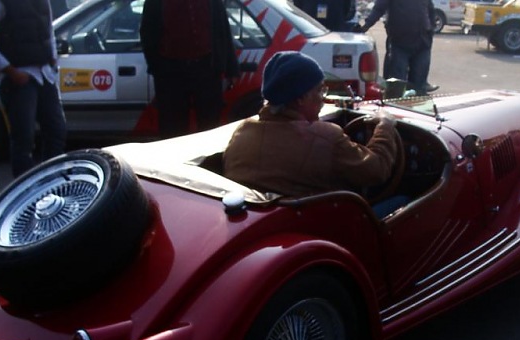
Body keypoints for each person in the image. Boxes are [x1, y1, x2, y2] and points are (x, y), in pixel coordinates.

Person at [223, 51, 403, 217]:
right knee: (404, 201)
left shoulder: (243, 131)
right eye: (319, 90)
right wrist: (385, 125)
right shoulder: (326, 137)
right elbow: (377, 169)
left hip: (261, 225)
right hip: (319, 229)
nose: (323, 99)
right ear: (300, 98)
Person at [0, 0, 67, 178]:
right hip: (19, 78)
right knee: (23, 139)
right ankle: (25, 191)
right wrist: (11, 72)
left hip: (44, 75)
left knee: (56, 130)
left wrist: (52, 61)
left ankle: (53, 182)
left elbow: (48, 31)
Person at [140, 0, 239, 139]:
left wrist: (231, 69)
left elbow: (222, 28)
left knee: (210, 126)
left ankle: (210, 160)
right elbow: (147, 32)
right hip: (171, 72)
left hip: (206, 68)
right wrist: (158, 68)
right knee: (173, 129)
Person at [356, 0, 439, 95]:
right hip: (399, 44)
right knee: (396, 87)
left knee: (419, 88)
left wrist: (430, 31)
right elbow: (379, 8)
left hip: (422, 44)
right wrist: (365, 26)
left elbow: (431, 9)